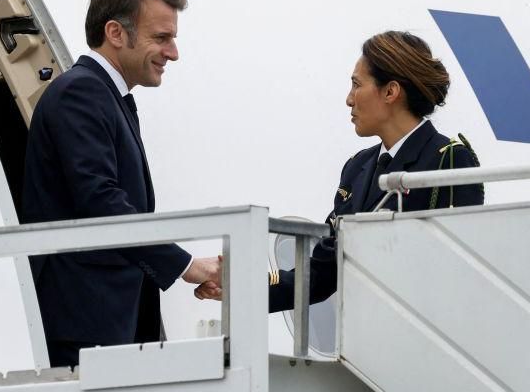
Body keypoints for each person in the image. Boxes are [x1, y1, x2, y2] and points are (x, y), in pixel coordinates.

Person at [195, 31, 484, 311]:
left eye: (357, 85)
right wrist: (240, 283)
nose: (349, 99)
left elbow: (456, 271)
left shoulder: (449, 159)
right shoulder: (358, 167)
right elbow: (322, 273)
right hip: (362, 342)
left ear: (391, 91)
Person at [22, 0, 221, 367]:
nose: (173, 52)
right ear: (115, 32)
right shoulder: (82, 93)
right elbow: (100, 199)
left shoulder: (107, 96)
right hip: (83, 317)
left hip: (106, 316)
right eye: (162, 38)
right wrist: (185, 265)